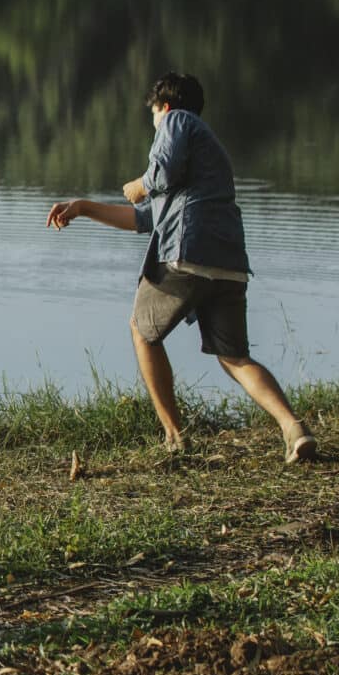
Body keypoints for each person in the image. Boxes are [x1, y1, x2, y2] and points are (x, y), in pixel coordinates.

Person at [45, 72, 318, 463]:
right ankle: (294, 429)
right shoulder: (205, 159)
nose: (154, 127)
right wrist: (84, 208)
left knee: (142, 332)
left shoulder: (177, 122)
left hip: (189, 254)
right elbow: (145, 221)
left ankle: (175, 437)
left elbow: (159, 176)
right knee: (235, 357)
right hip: (228, 265)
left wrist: (141, 183)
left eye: (153, 117)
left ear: (165, 107)